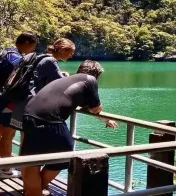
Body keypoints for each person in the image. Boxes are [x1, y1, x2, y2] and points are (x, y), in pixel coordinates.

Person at [21, 60, 117, 196]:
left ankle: (32, 191)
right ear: (97, 74)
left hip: (29, 115)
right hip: (50, 119)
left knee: (32, 160)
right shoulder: (90, 80)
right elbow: (95, 108)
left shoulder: (68, 79)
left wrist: (104, 119)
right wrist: (100, 111)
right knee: (65, 157)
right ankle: (35, 191)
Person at [8, 38, 75, 133]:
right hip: (31, 104)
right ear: (63, 50)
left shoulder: (41, 57)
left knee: (26, 136)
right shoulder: (51, 61)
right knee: (32, 136)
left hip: (21, 100)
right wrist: (67, 76)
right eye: (71, 52)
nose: (71, 55)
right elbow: (63, 83)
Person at [0, 31, 39, 178]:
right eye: (33, 46)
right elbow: (21, 79)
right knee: (8, 134)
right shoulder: (16, 59)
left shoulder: (6, 52)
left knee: (3, 134)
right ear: (28, 43)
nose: (33, 50)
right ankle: (5, 169)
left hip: (2, 99)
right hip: (10, 101)